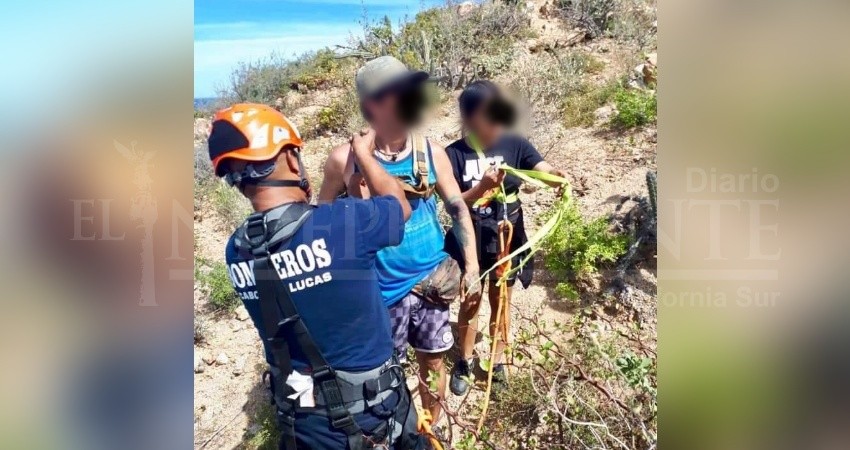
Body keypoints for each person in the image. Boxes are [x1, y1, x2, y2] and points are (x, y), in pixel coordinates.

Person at [208, 103, 431, 450]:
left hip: (305, 425)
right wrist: (364, 155)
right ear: (292, 160)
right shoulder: (343, 223)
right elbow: (399, 205)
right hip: (377, 413)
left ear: (238, 183)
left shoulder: (236, 250)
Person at [318, 56, 480, 425]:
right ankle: (395, 431)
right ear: (374, 104)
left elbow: (456, 208)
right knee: (382, 373)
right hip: (377, 291)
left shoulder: (431, 153)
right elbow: (322, 221)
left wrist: (471, 265)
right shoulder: (342, 160)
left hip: (431, 282)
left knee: (434, 359)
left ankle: (432, 430)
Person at [445, 81, 567, 397]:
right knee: (470, 301)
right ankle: (465, 361)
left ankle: (498, 363)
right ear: (470, 120)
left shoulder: (515, 143)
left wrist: (556, 177)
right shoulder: (453, 155)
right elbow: (453, 203)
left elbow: (541, 168)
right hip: (469, 240)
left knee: (502, 301)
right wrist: (481, 188)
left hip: (506, 238)